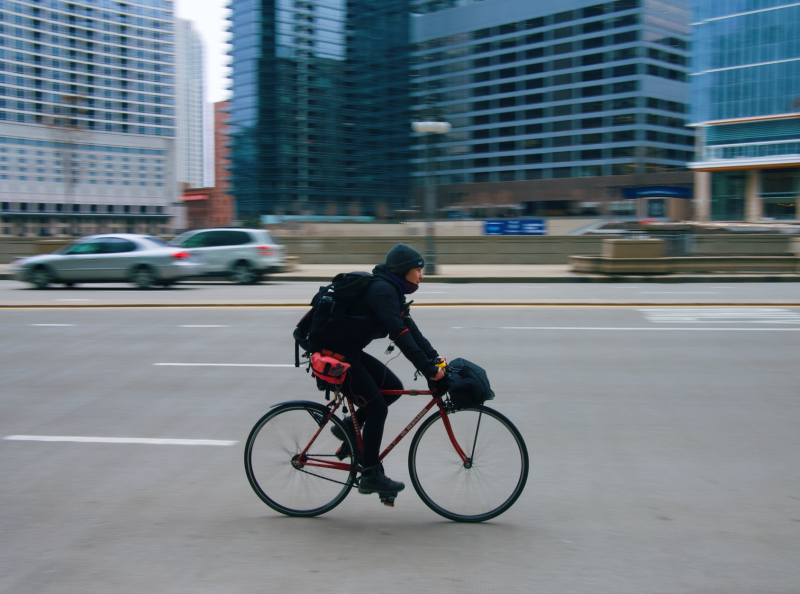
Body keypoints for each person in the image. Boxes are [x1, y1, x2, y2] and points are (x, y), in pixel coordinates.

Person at [321, 243, 445, 497]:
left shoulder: (392, 290)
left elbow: (411, 329)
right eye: (418, 269)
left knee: (393, 389)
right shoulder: (382, 291)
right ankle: (370, 474)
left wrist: (436, 360)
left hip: (349, 351)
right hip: (335, 356)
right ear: (403, 270)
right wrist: (428, 370)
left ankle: (346, 428)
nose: (422, 275)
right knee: (376, 407)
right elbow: (399, 334)